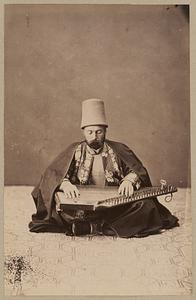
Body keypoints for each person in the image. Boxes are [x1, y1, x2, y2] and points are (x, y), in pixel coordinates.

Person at [29, 99, 179, 237]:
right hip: (82, 206)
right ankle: (103, 226)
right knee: (57, 208)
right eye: (90, 132)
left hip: (115, 206)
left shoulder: (119, 149)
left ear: (105, 131)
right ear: (83, 132)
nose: (94, 136)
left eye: (99, 132)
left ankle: (92, 227)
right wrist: (65, 184)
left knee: (146, 206)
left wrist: (129, 181)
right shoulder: (74, 151)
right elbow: (53, 175)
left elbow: (137, 171)